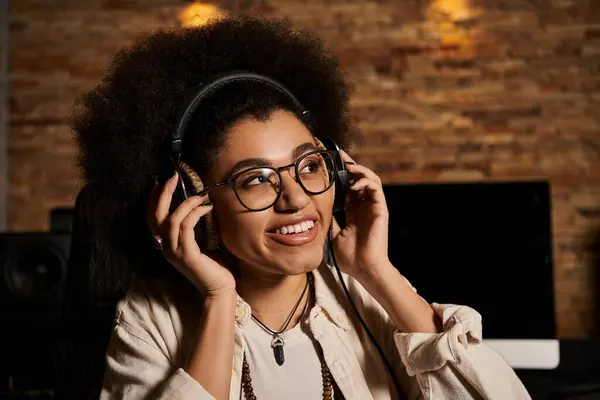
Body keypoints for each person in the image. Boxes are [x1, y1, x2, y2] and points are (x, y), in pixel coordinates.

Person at [72, 16, 531, 400]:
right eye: (256, 179)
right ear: (197, 204)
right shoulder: (151, 318)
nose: (297, 199)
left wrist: (377, 270)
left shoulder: (365, 294)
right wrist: (218, 300)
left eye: (309, 167)